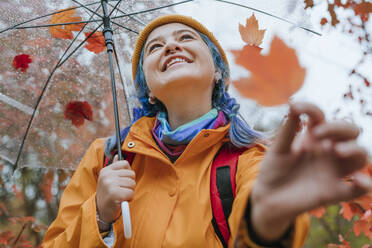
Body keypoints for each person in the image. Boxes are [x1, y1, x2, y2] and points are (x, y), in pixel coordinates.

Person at [42, 15, 371, 248]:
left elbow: (255, 230)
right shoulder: (107, 156)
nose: (171, 46)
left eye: (185, 38)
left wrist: (264, 226)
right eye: (155, 47)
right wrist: (98, 215)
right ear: (149, 90)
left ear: (217, 72)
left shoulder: (250, 158)